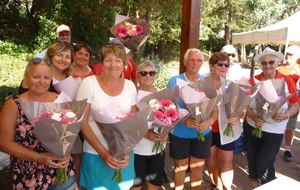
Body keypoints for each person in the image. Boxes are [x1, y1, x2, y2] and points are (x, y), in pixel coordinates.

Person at [0, 58, 76, 189]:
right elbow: (3, 142)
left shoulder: (60, 99)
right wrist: (38, 157)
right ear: (27, 78)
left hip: (61, 172)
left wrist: (66, 153)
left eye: (46, 77)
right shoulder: (13, 104)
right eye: (36, 77)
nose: (42, 81)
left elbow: (69, 134)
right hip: (28, 175)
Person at [76, 43, 138, 189]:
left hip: (123, 155)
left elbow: (134, 121)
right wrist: (103, 153)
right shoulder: (89, 83)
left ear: (124, 64)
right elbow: (82, 122)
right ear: (102, 62)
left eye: (118, 60)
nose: (113, 64)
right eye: (108, 60)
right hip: (95, 152)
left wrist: (127, 150)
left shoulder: (130, 86)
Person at [244, 47, 299, 188]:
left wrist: (286, 114)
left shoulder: (287, 80)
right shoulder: (253, 80)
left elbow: (295, 105)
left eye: (271, 62)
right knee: (252, 160)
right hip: (252, 126)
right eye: (264, 63)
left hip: (275, 130)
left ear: (277, 63)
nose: (267, 65)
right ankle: (255, 186)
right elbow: (243, 105)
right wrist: (254, 116)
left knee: (264, 163)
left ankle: (268, 185)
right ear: (260, 65)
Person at [167, 48, 217, 190]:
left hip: (202, 134)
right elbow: (168, 108)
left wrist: (209, 122)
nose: (195, 63)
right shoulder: (174, 81)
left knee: (197, 168)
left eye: (199, 60)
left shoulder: (207, 82)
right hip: (180, 133)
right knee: (180, 167)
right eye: (192, 59)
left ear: (202, 63)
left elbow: (215, 110)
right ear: (185, 61)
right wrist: (184, 120)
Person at [206, 52, 244, 190]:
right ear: (211, 66)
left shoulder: (232, 85)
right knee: (211, 161)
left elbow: (241, 109)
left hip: (227, 129)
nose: (223, 67)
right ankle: (216, 185)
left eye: (226, 65)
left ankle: (227, 188)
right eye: (220, 64)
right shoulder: (202, 83)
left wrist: (237, 116)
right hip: (208, 129)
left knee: (226, 162)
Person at [131, 60, 165, 190]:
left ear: (156, 75)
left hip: (157, 149)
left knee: (154, 186)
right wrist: (146, 134)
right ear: (138, 75)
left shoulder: (162, 95)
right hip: (136, 150)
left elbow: (168, 120)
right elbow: (128, 123)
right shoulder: (132, 95)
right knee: (136, 186)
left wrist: (164, 135)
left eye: (152, 73)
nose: (148, 76)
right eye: (144, 73)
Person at [277, 45, 300, 162]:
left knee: (290, 127)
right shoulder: (279, 67)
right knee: (277, 122)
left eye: (291, 55)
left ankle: (288, 149)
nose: (288, 57)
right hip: (279, 100)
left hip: (293, 101)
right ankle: (274, 146)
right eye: (288, 54)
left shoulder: (298, 67)